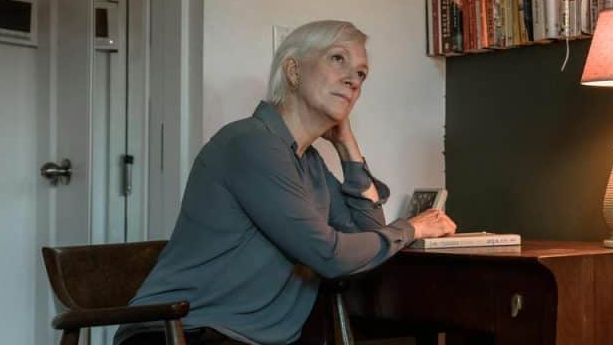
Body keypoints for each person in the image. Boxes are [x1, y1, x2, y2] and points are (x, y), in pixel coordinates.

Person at [116, 20, 456, 345]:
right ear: (293, 71)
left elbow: (364, 237)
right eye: (338, 59)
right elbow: (331, 255)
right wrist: (412, 228)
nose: (354, 79)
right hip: (183, 332)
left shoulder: (308, 163)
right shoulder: (250, 142)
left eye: (362, 74)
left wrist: (347, 145)